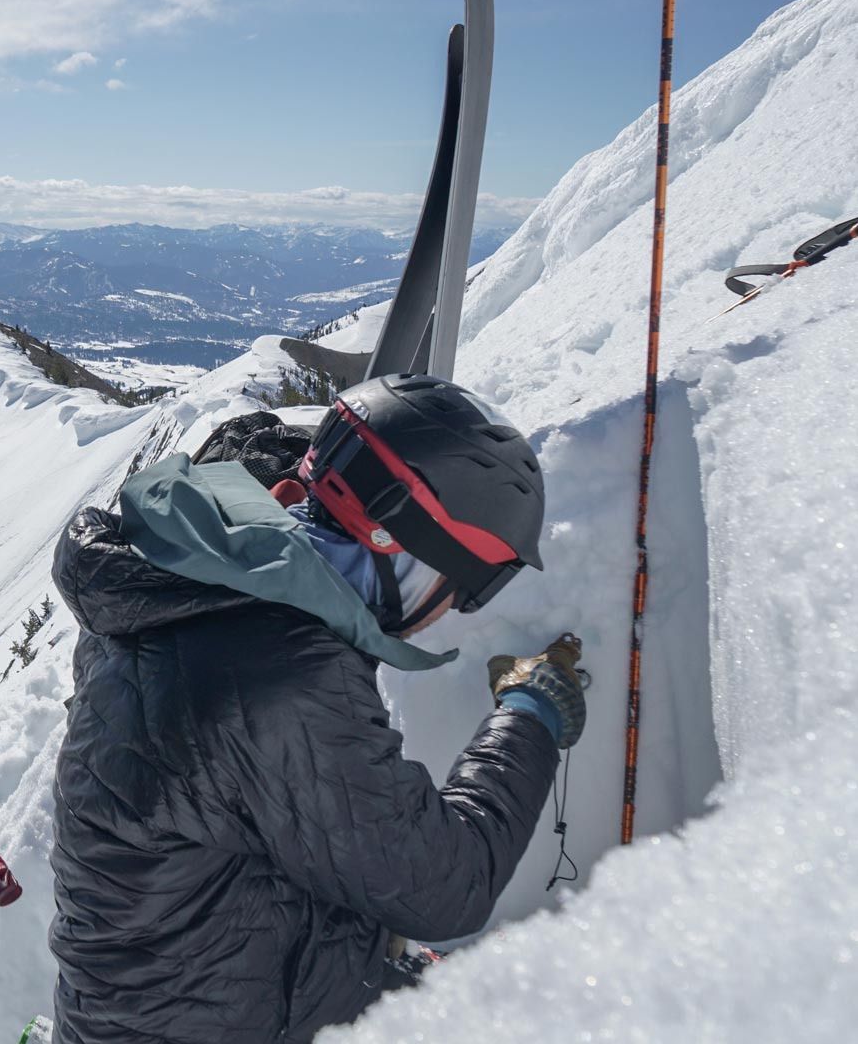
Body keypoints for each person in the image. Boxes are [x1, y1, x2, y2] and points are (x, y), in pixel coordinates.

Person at [47, 375, 587, 1043]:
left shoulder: (191, 569)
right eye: (467, 585)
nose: (454, 609)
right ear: (394, 545)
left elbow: (282, 822)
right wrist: (531, 715)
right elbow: (446, 888)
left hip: (173, 995)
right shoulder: (280, 672)